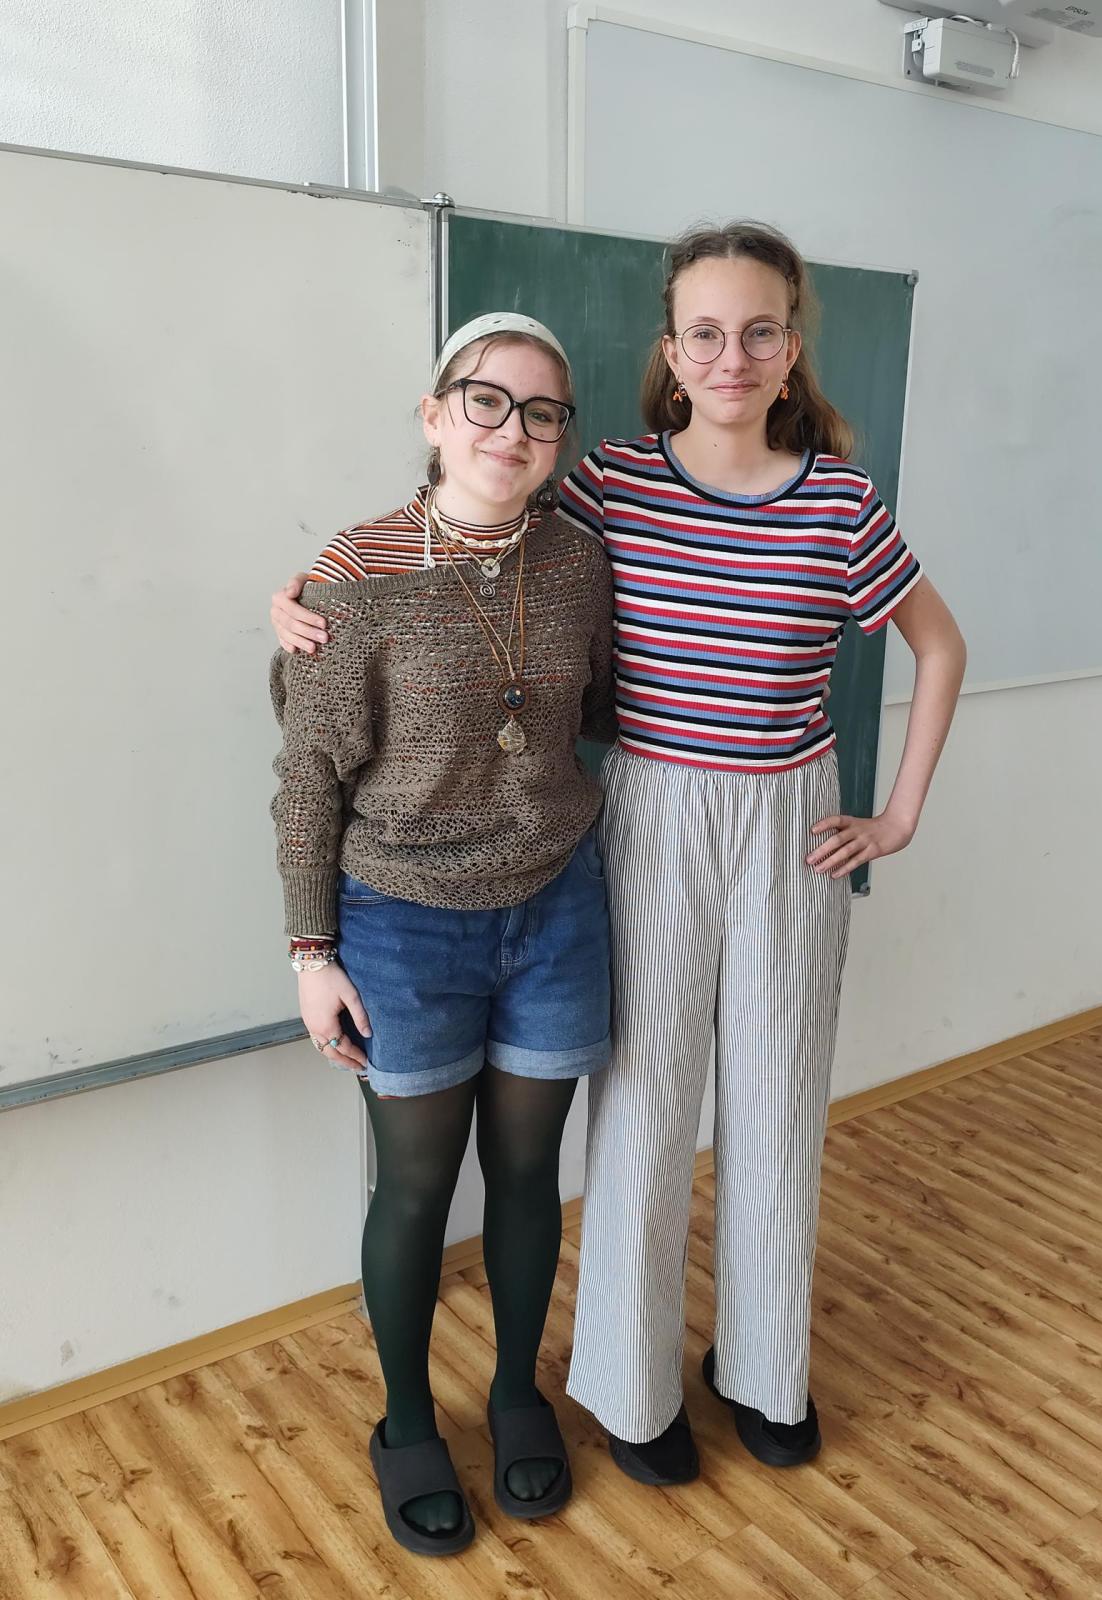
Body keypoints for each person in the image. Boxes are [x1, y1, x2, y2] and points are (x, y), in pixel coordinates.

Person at [271, 224, 966, 1491]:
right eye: (705, 332)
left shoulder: (840, 501)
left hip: (789, 816)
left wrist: (900, 812)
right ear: (671, 352)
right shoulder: (610, 487)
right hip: (646, 810)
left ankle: (763, 1370)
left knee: (779, 1103)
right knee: (643, 1107)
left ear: (791, 349)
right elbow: (464, 532)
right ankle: (631, 1390)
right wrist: (308, 588)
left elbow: (938, 643)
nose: (731, 355)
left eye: (759, 331)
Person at [270, 312, 615, 1557]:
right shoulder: (353, 572)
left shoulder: (579, 561)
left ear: (559, 437)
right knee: (416, 1185)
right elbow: (306, 779)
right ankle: (407, 1419)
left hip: (557, 908)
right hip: (401, 926)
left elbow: (603, 704)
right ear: (434, 415)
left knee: (528, 1171)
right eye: (486, 401)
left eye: (541, 411)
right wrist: (312, 953)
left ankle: (517, 1391)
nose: (512, 430)